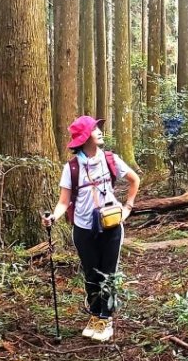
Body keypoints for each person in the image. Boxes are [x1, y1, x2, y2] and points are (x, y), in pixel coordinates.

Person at [43, 116, 140, 343]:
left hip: (112, 225)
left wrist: (127, 207)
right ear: (85, 137)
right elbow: (64, 202)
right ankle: (95, 315)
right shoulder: (72, 167)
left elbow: (134, 180)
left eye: (97, 128)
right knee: (90, 274)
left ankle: (106, 318)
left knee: (109, 272)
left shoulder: (110, 159)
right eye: (94, 129)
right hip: (83, 228)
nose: (99, 131)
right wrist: (53, 217)